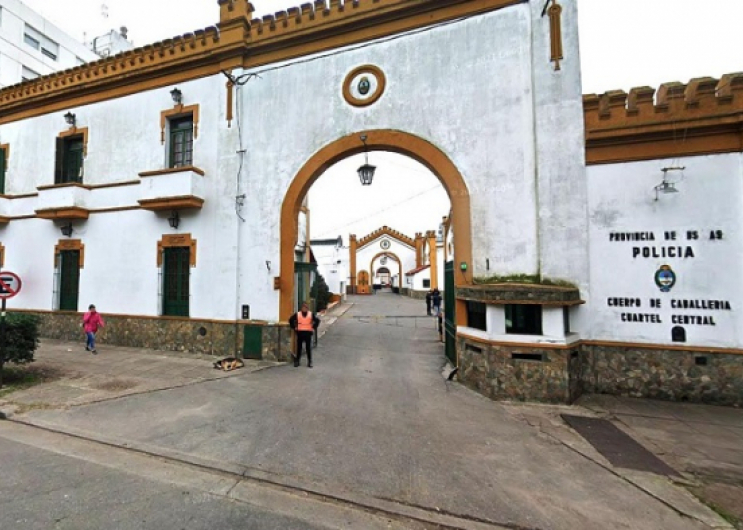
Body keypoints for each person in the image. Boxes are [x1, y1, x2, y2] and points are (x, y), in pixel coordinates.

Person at [289, 302, 320, 368]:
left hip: (308, 333)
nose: (304, 308)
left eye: (306, 307)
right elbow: (290, 320)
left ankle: (309, 362)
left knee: (308, 348)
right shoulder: (298, 314)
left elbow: (317, 321)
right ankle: (297, 361)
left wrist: (313, 328)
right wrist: (294, 327)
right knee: (299, 348)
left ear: (307, 308)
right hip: (300, 333)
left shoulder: (311, 314)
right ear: (301, 308)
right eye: (303, 307)